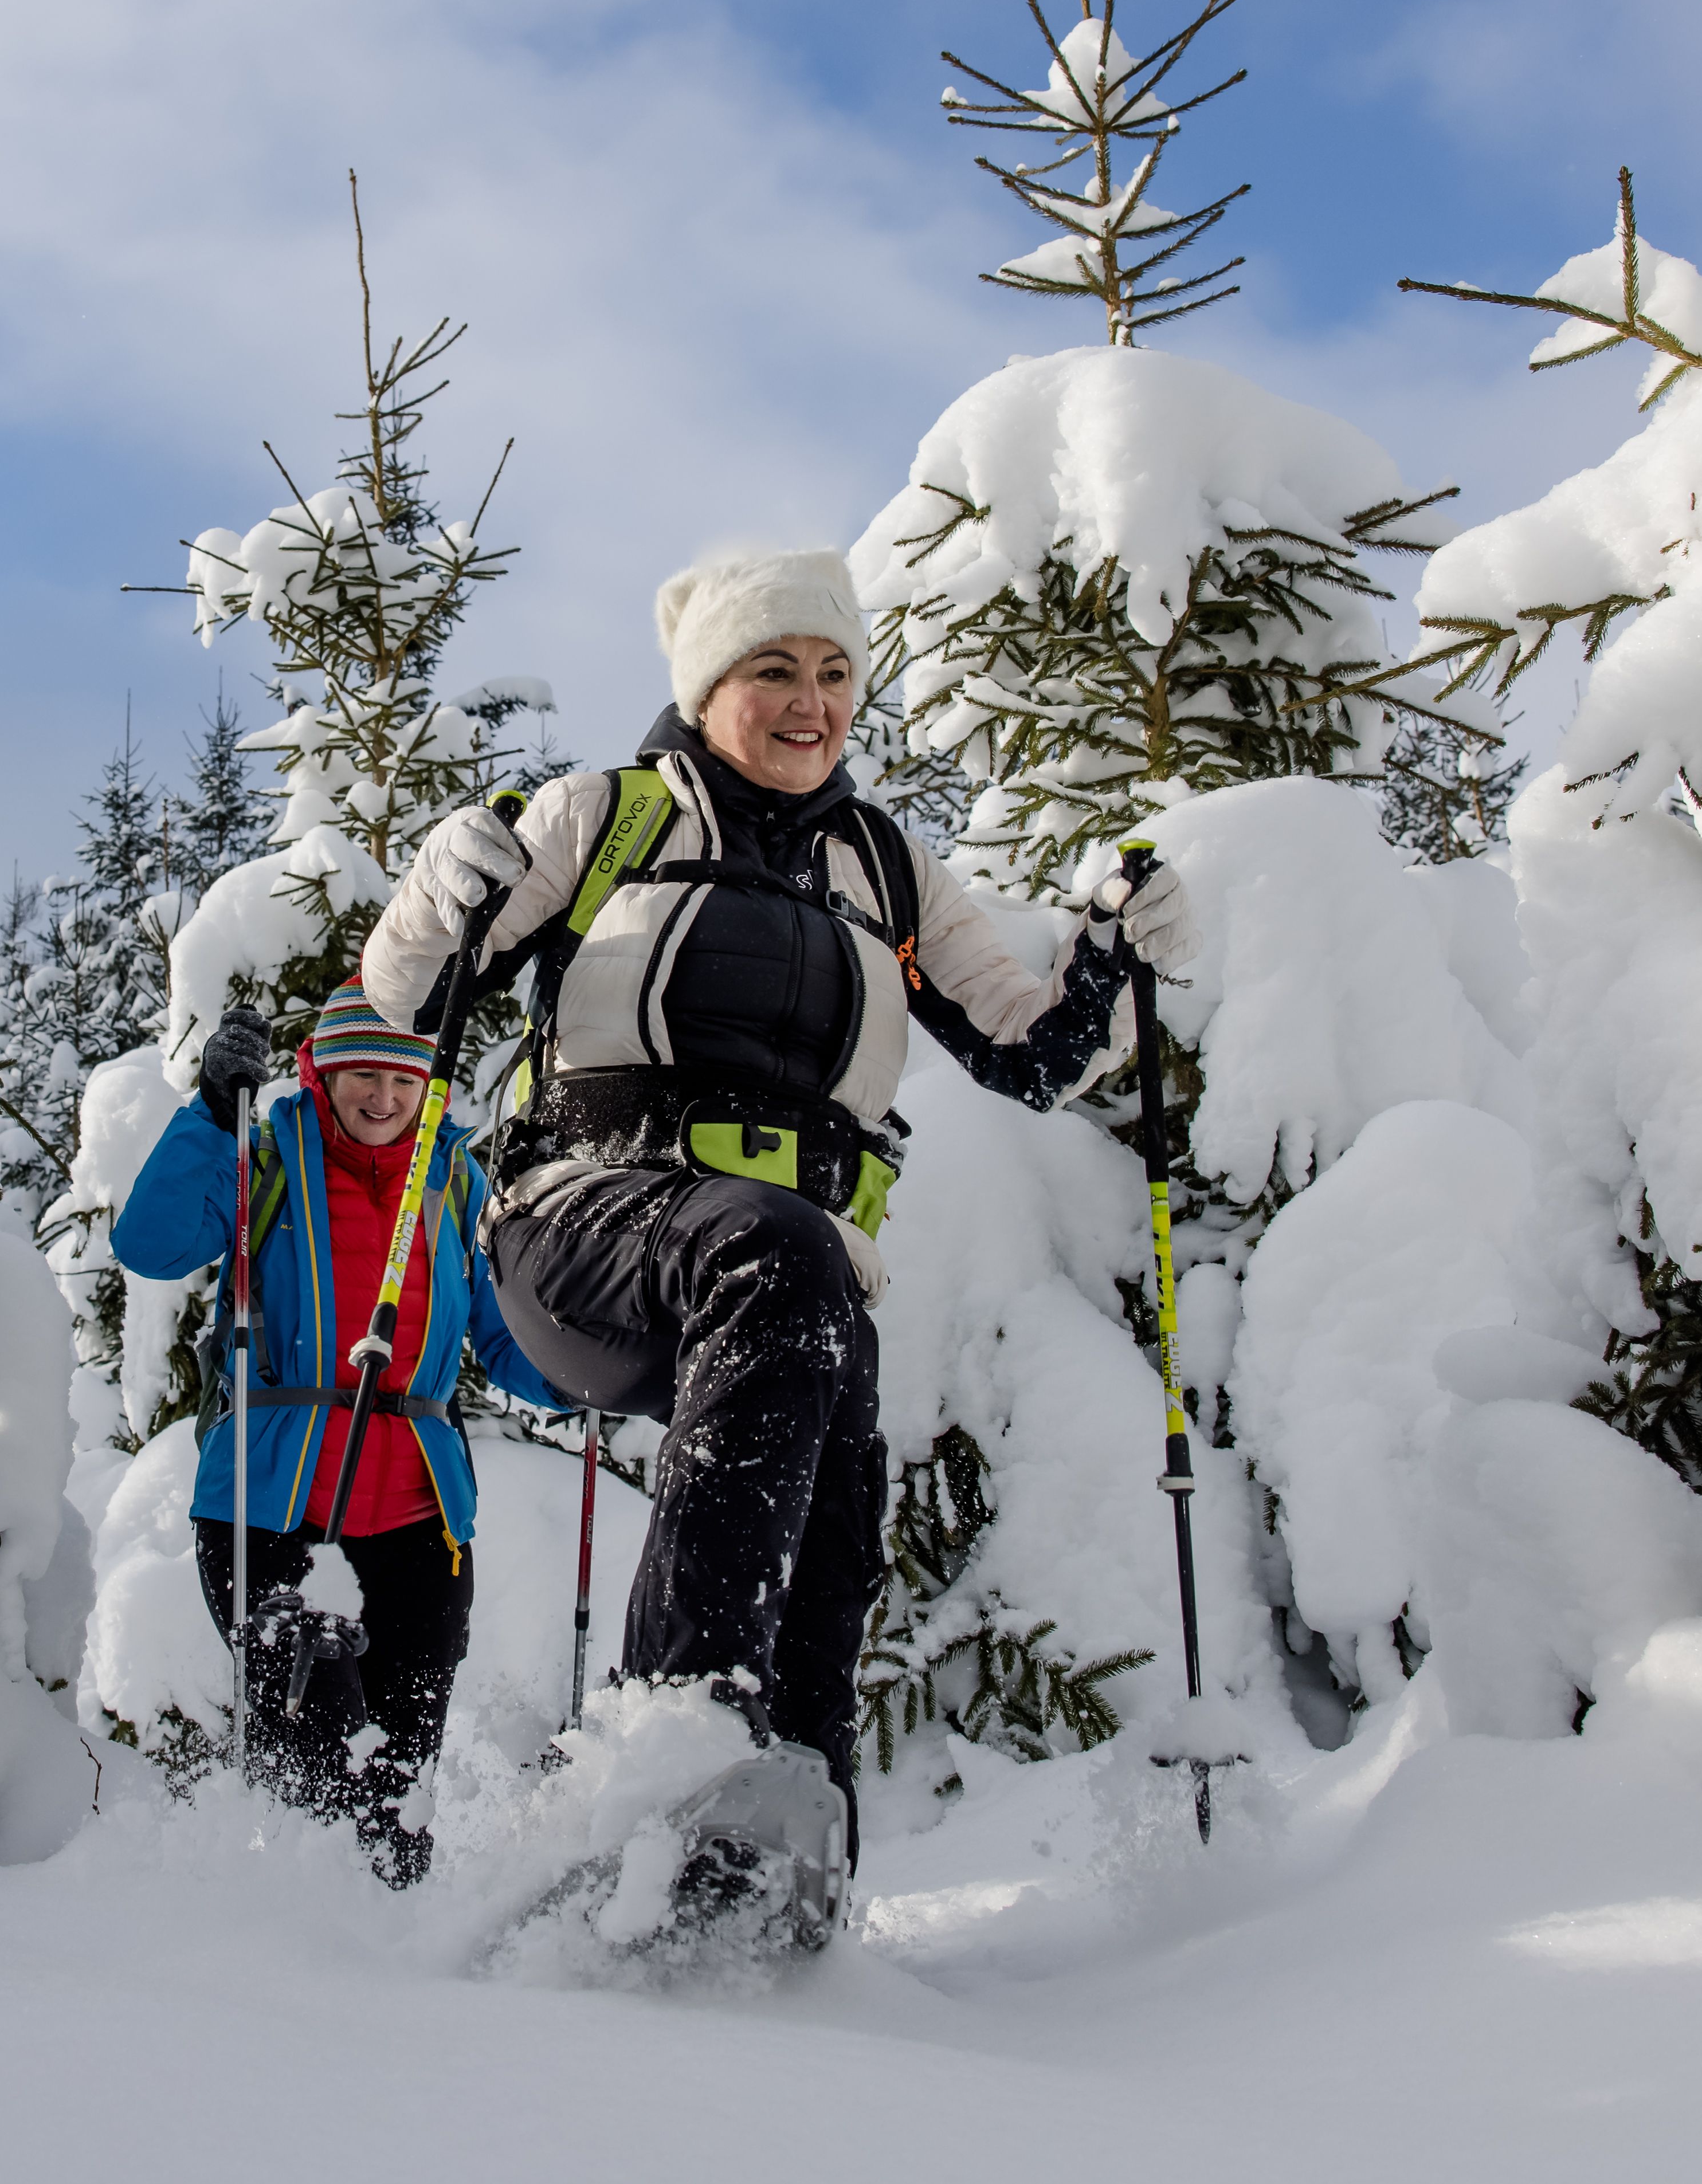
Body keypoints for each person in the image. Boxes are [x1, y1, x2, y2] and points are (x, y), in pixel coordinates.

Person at [356, 544, 1196, 1824]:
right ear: (706, 689)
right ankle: (672, 1745)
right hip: (587, 1225)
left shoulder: (886, 865)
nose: (812, 701)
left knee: (837, 1517)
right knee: (774, 1256)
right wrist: (438, 889)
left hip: (793, 1274)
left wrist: (1110, 956)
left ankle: (787, 1865)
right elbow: (412, 997)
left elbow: (1032, 1055)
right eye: (773, 668)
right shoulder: (605, 814)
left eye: (834, 672)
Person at [111, 983, 565, 1882]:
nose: (381, 1098)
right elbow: (150, 1246)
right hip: (267, 1502)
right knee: (312, 1747)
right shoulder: (263, 1153)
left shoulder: (454, 1180)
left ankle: (392, 1967)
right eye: (360, 1073)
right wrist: (210, 1113)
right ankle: (296, 1952)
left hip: (416, 1515)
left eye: (401, 1078)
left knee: (402, 1770)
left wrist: (596, 1370)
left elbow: (507, 1344)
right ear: (318, 1072)